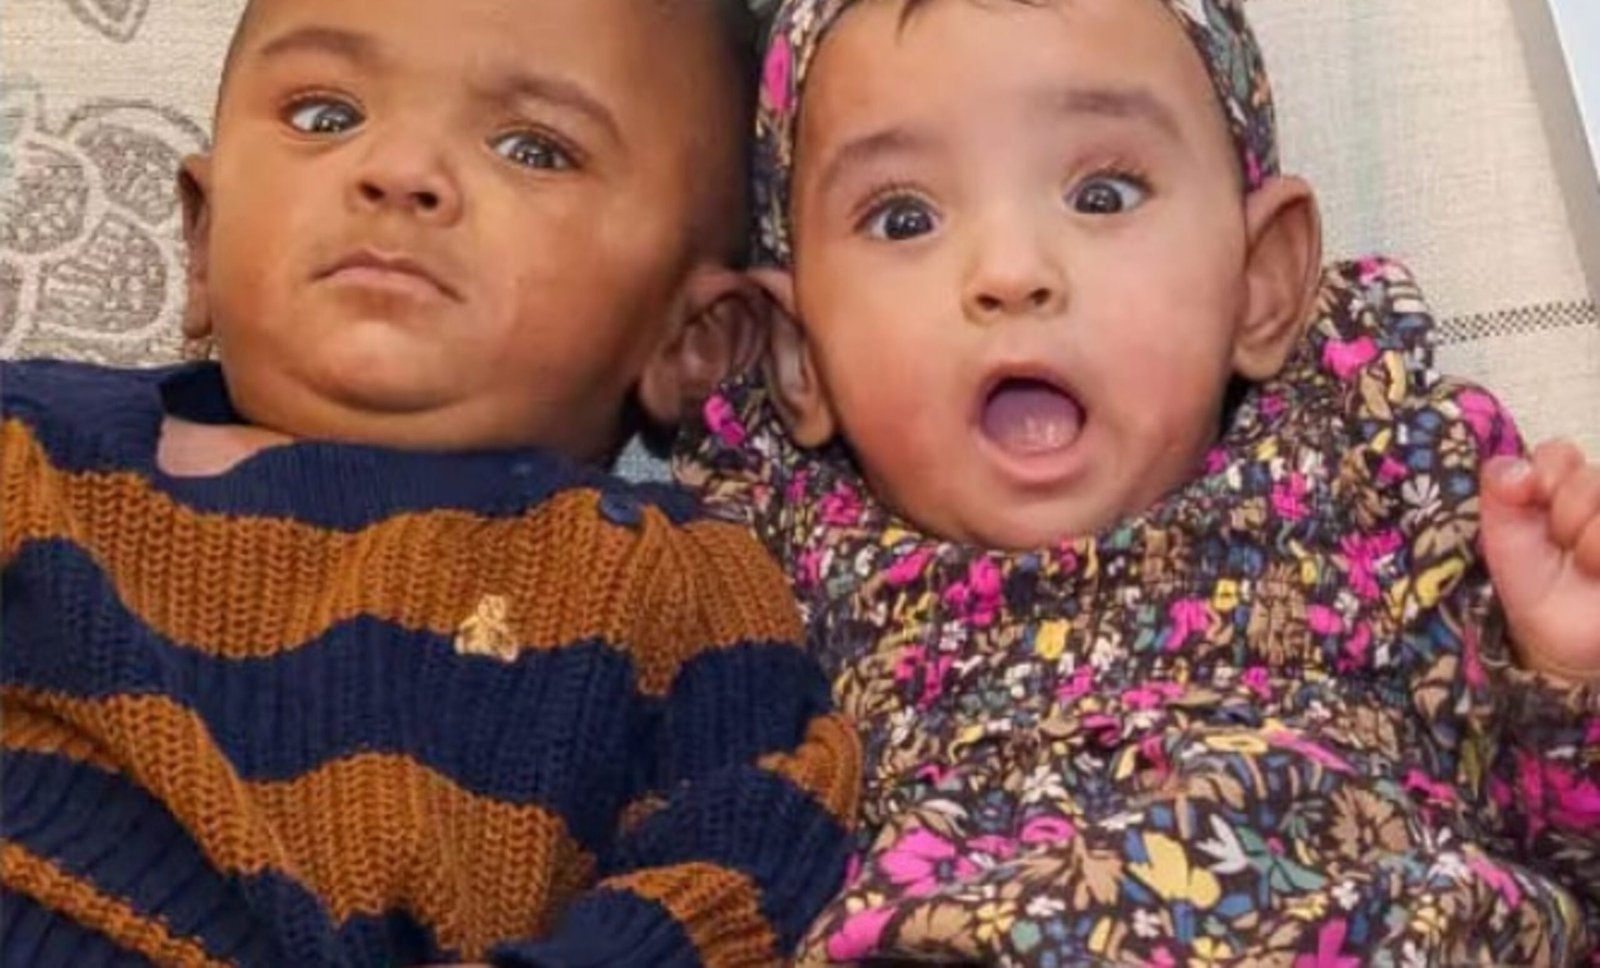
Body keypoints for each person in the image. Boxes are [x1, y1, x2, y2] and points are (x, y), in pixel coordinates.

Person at [677, 0, 1600, 962]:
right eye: (904, 218)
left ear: (1259, 281)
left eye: (1103, 195)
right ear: (800, 358)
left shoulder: (1376, 467)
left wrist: (1569, 672)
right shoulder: (766, 565)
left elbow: (1570, 857)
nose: (1011, 272)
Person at [0, 0, 860, 964]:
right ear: (202, 238)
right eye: (325, 115)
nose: (400, 170)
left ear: (692, 342)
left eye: (533, 149)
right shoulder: (29, 439)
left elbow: (749, 847)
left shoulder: (665, 576)